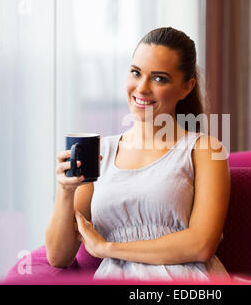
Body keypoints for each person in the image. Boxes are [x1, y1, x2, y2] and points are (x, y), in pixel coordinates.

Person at [45, 27, 231, 281]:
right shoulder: (102, 153)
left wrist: (109, 249)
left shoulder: (206, 150)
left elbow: (202, 245)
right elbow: (58, 256)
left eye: (159, 78)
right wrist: (65, 191)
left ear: (186, 87)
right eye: (136, 73)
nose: (141, 88)